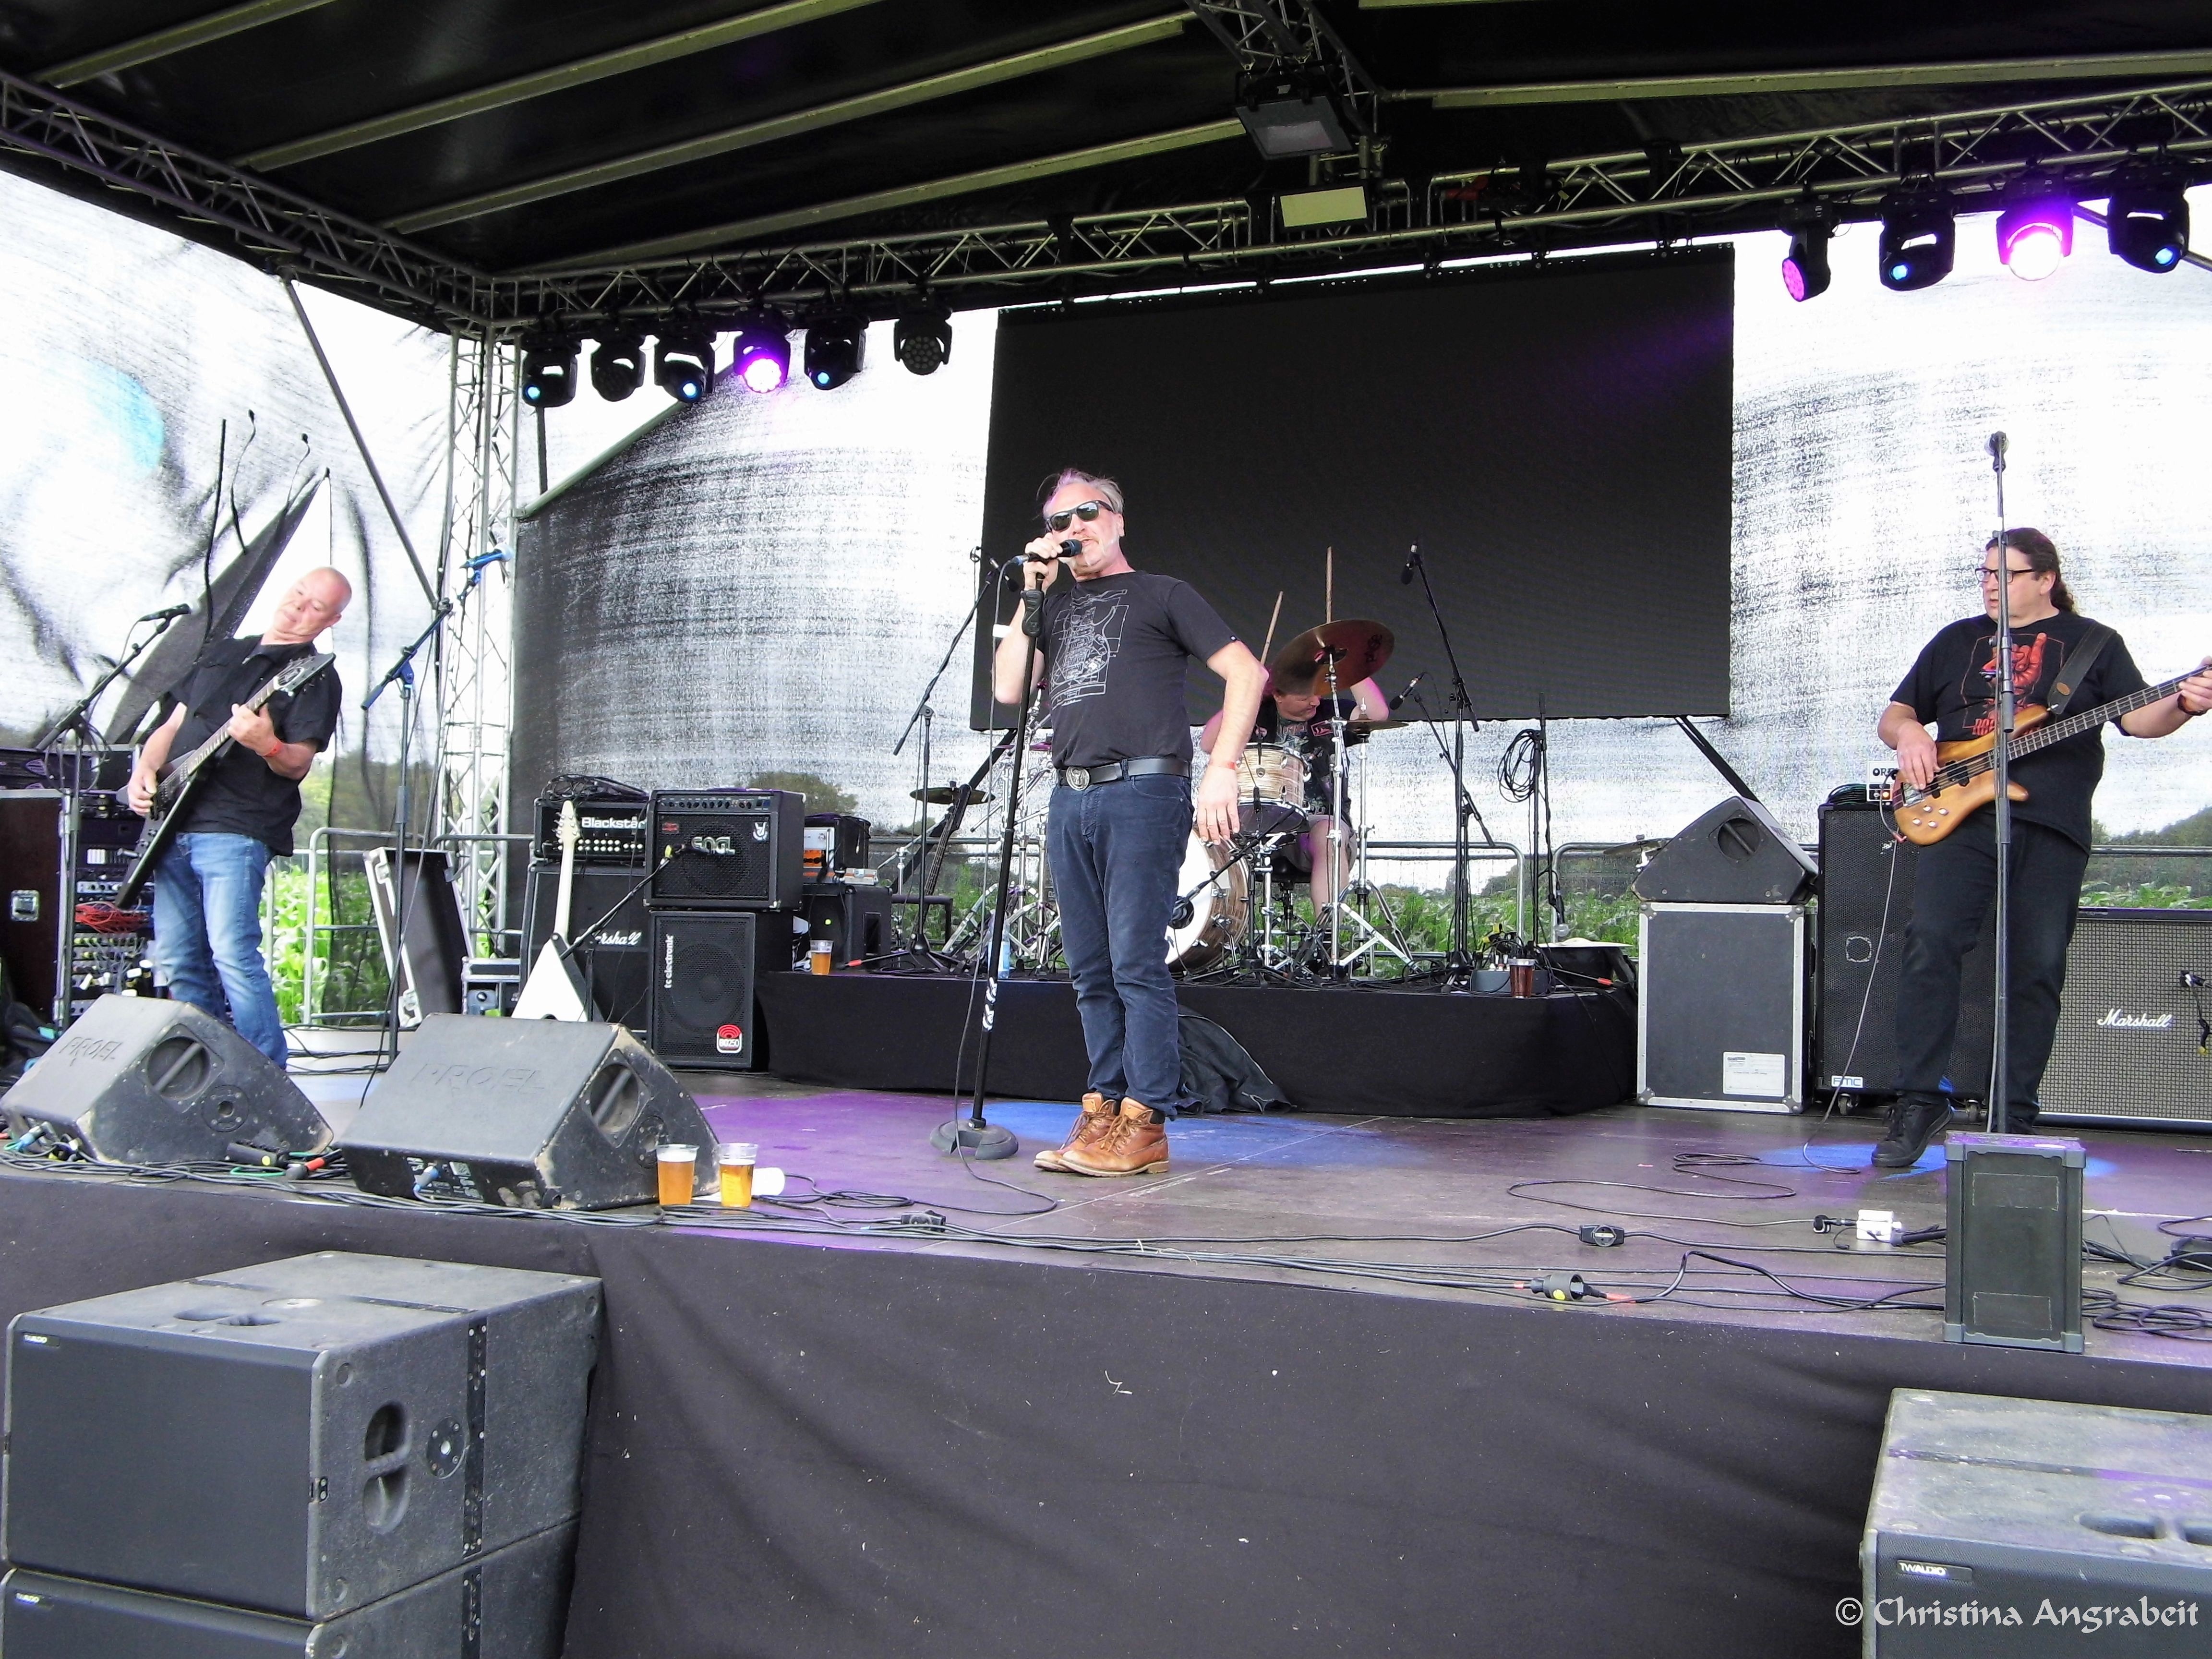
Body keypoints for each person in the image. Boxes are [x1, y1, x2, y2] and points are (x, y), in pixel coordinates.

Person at [1874, 529, 2212, 1166]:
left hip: (2052, 823)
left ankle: (2014, 1115)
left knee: (2036, 967)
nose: (1990, 585)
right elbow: (1896, 713)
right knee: (1931, 942)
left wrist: (2185, 704)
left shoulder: (2093, 644)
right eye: (1984, 574)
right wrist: (1911, 733)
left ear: (2045, 579)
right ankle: (1918, 1100)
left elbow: (2139, 719)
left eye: (2005, 575)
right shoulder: (1956, 640)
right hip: (1960, 817)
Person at [993, 471, 1266, 1176]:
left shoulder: (1162, 593)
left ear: (1118, 521)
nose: (1073, 528)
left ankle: (1146, 1123)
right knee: (1089, 969)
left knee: (1135, 965)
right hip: (1071, 795)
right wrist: (1031, 591)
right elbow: (1008, 687)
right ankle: (1103, 1111)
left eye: (1088, 513)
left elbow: (1247, 674)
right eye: (1059, 521)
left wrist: (1222, 767)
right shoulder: (1051, 606)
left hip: (1143, 790)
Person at [127, 567, 351, 1068]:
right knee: (179, 959)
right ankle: (207, 1071)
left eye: (315, 607)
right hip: (173, 822)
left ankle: (266, 1077)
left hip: (236, 828)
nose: (298, 608)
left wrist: (266, 744)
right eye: (298, 594)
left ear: (331, 620)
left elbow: (296, 764)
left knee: (232, 954)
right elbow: (175, 723)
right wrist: (144, 768)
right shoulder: (225, 652)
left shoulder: (313, 676)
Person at [1201, 669, 1387, 908]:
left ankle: (1329, 926)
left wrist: (1353, 667)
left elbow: (1377, 714)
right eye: (1304, 697)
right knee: (1211, 833)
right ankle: (1223, 926)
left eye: (1317, 693)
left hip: (1317, 824)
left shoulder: (1332, 713)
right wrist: (1249, 695)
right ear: (1278, 696)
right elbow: (1208, 743)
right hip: (1260, 822)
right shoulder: (1256, 713)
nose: (1315, 701)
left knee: (1330, 835)